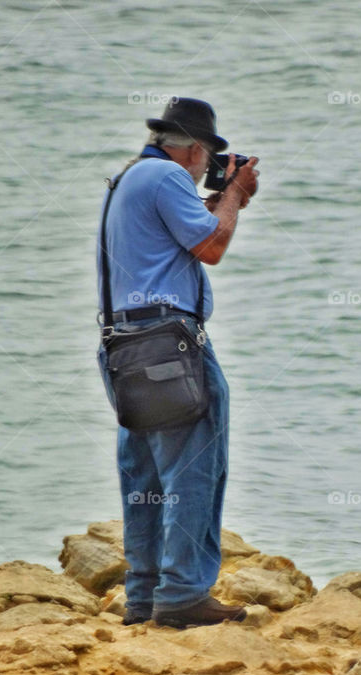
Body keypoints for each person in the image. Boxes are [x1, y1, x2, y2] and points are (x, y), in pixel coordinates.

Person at [95, 97, 259, 628]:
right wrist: (232, 194)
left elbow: (192, 234)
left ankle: (144, 596)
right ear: (193, 148)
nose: (206, 165)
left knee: (143, 470)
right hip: (169, 343)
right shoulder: (167, 179)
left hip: (127, 342)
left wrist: (223, 197)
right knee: (194, 466)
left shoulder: (131, 179)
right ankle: (184, 594)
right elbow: (211, 246)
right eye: (209, 154)